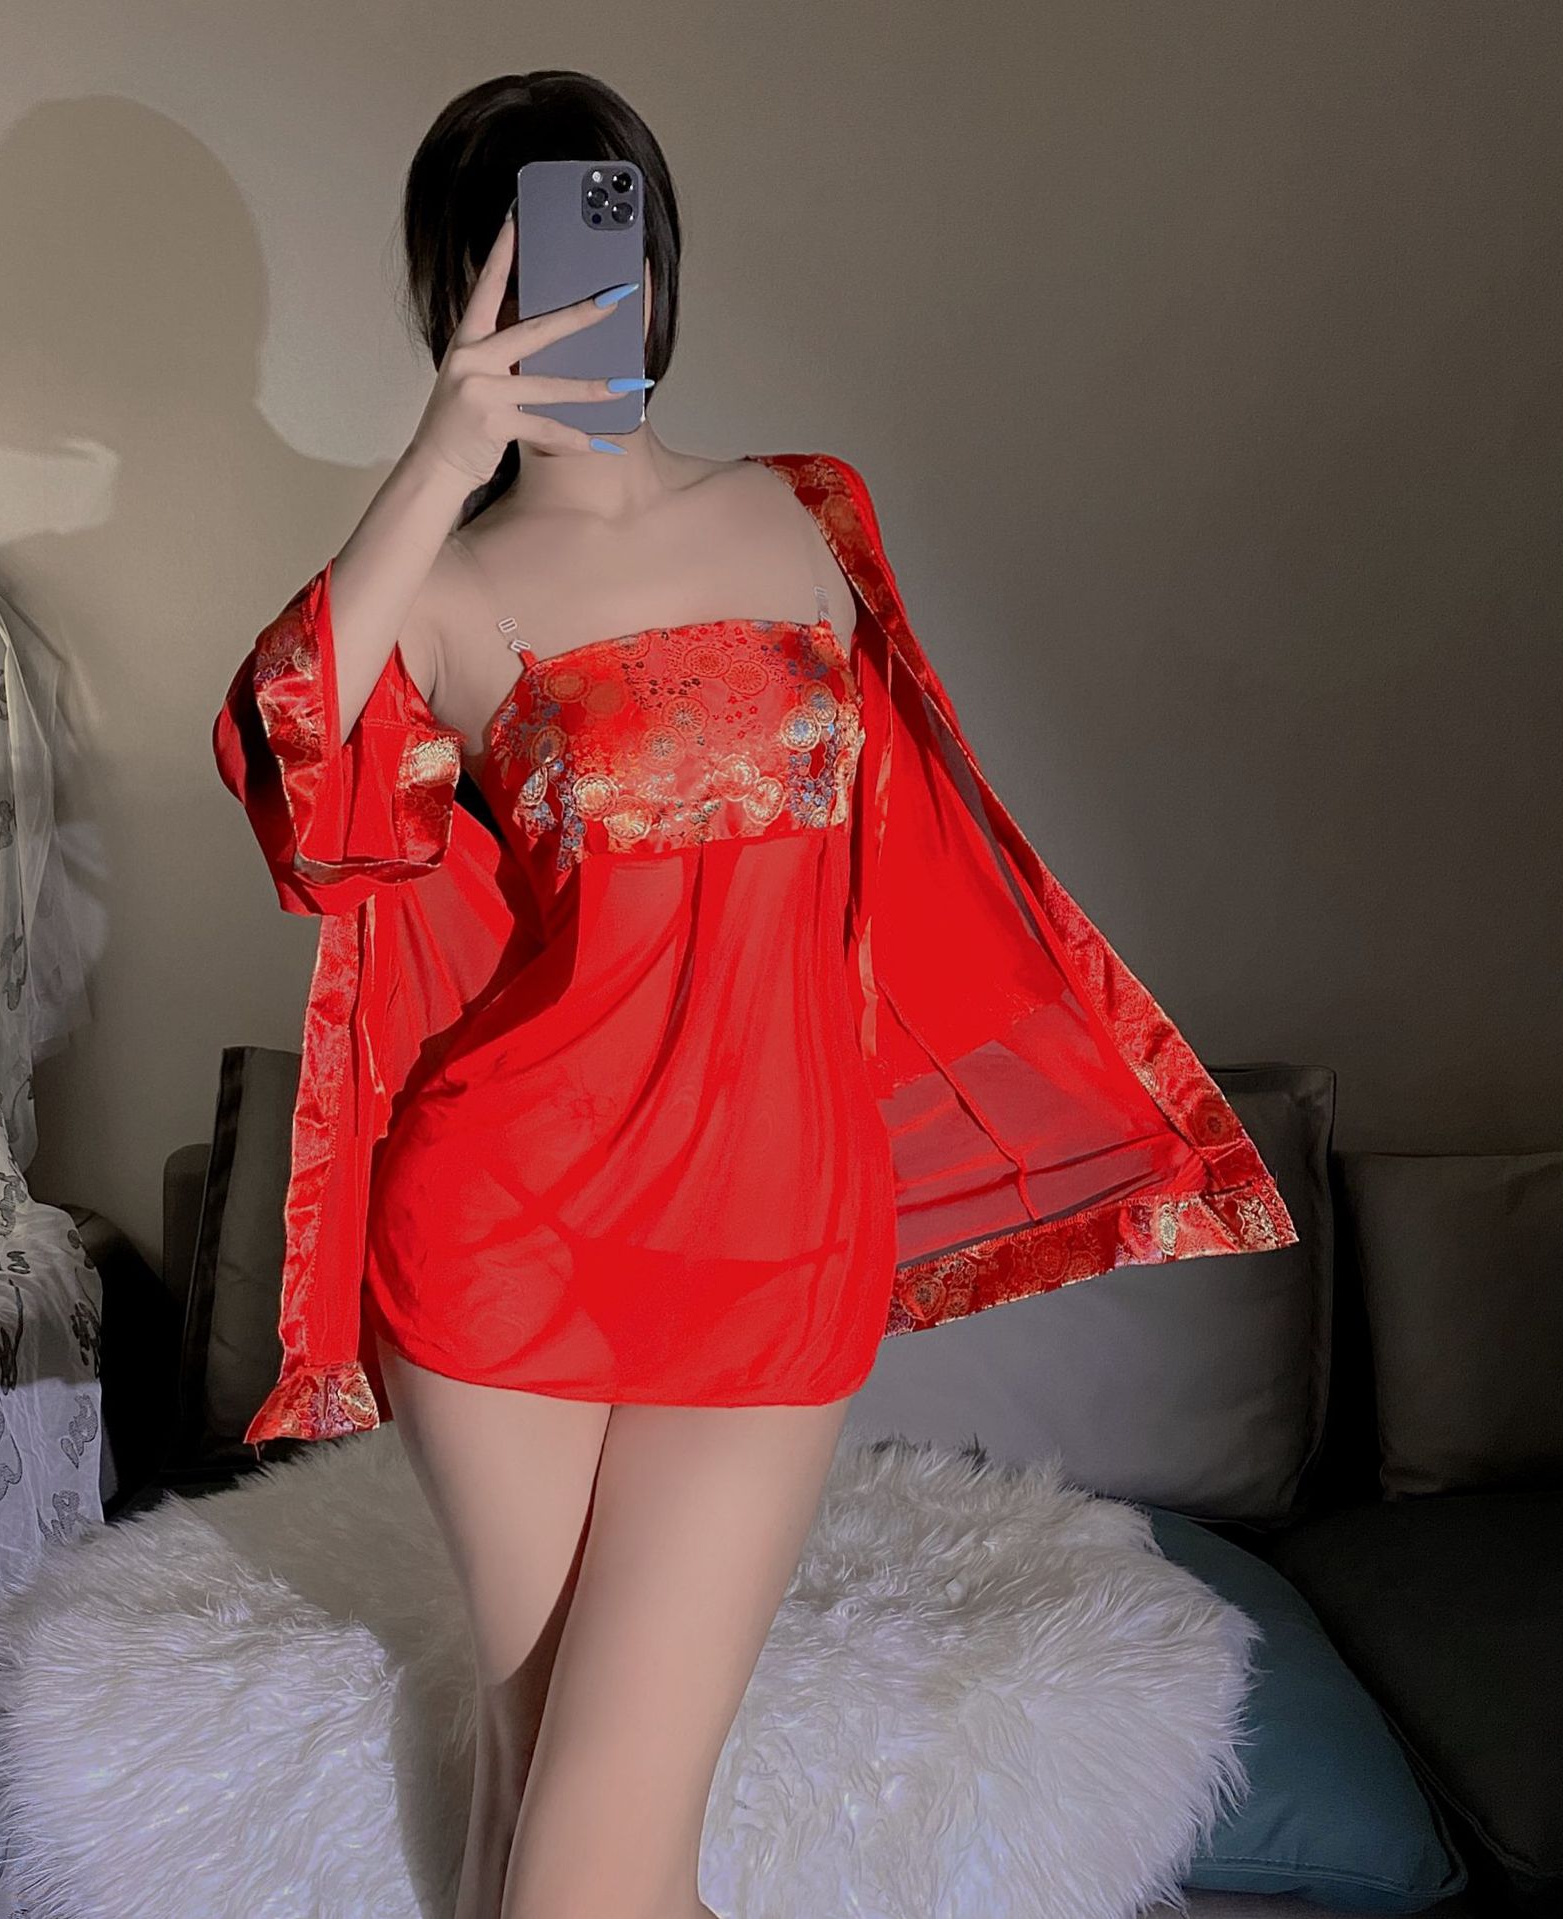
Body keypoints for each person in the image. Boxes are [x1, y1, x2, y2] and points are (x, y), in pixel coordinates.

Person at [213, 69, 1297, 1919]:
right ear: (455, 293)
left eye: (609, 240)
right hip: (503, 1234)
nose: (581, 293)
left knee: (582, 1856)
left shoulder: (808, 514)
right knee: (539, 1809)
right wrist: (439, 455)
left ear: (656, 263)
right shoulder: (446, 592)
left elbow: (917, 872)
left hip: (780, 1233)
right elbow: (293, 773)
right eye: (519, 263)